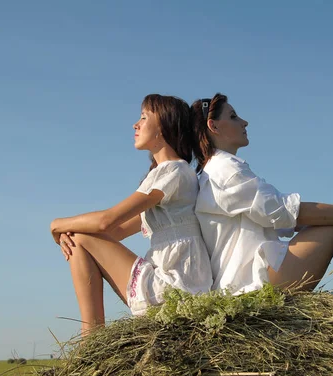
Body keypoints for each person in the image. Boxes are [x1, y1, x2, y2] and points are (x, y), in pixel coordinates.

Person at [191, 93, 333, 306]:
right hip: (253, 284)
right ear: (213, 126)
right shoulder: (225, 169)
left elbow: (285, 219)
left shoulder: (215, 171)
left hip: (246, 282)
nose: (244, 122)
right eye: (233, 116)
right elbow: (285, 212)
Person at [51, 94, 213, 335]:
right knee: (79, 237)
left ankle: (90, 337)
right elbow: (116, 232)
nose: (135, 125)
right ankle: (91, 336)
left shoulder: (174, 171)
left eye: (143, 117)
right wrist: (67, 233)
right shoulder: (171, 174)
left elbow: (107, 221)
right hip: (178, 285)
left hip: (174, 287)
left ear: (164, 127)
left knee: (80, 236)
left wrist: (56, 225)